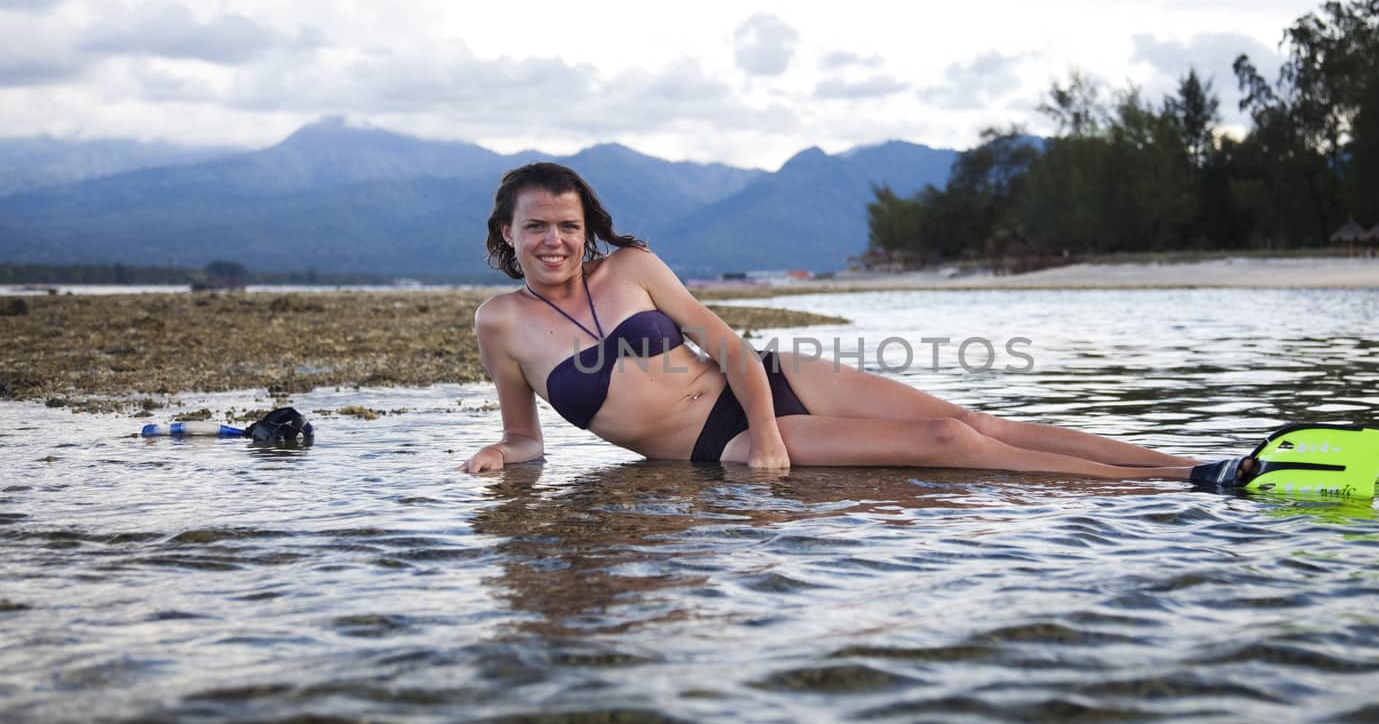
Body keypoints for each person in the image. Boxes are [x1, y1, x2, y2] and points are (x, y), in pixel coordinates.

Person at [459, 162, 1205, 480]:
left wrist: (774, 436)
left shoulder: (631, 268)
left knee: (975, 419)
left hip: (766, 388)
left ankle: (1184, 468)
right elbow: (528, 438)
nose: (553, 239)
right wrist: (502, 451)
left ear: (586, 227)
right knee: (949, 443)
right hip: (721, 441)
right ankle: (1159, 488)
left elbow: (732, 348)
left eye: (567, 223)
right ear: (506, 234)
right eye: (536, 227)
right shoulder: (501, 325)